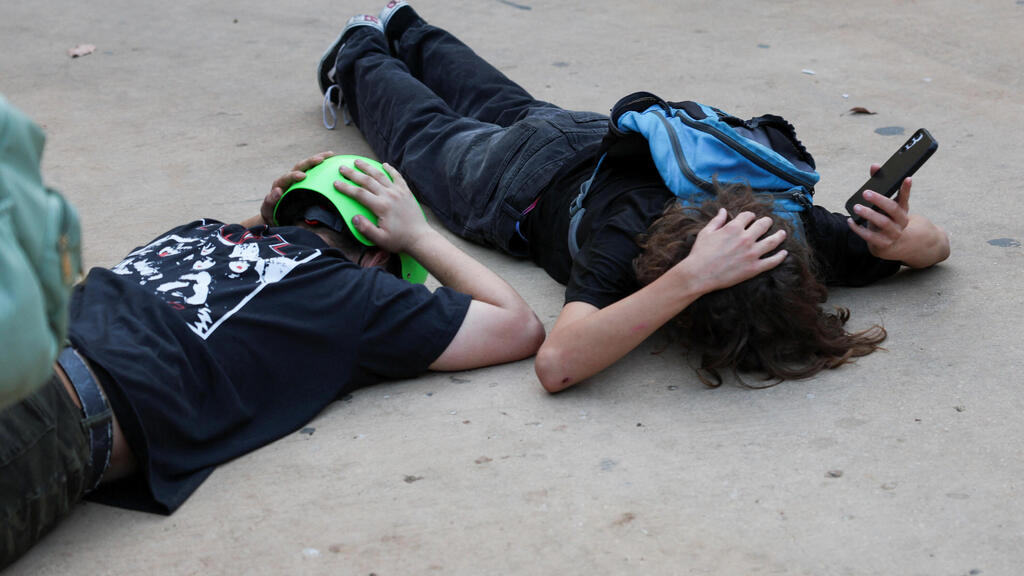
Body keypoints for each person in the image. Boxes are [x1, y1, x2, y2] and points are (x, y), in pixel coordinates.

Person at [318, 2, 950, 393]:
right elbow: (557, 364)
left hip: (599, 138)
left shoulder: (790, 234)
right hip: (516, 184)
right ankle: (359, 46)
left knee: (499, 99)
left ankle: (405, 24)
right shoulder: (634, 233)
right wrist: (689, 280)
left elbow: (937, 248)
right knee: (423, 132)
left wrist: (913, 241)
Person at [0, 145, 545, 567]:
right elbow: (518, 326)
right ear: (378, 257)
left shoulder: (196, 234)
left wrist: (267, 218)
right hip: (46, 409)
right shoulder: (354, 296)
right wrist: (420, 236)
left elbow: (245, 251)